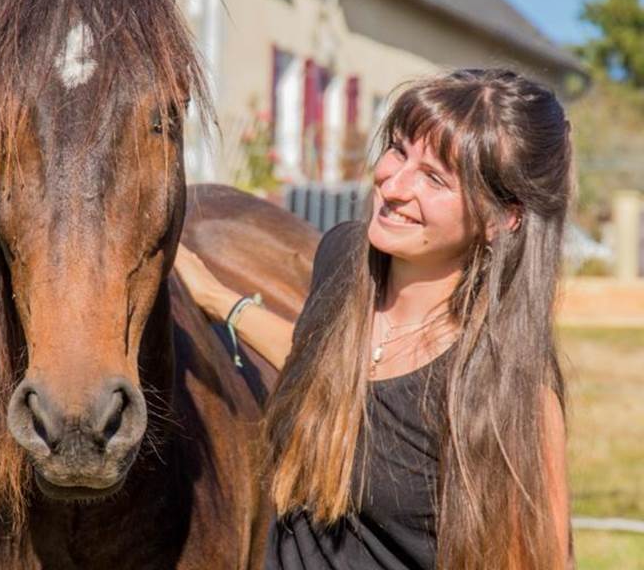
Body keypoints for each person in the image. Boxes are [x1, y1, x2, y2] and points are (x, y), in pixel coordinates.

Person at [175, 69, 571, 570]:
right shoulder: (344, 259)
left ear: (503, 217)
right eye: (399, 150)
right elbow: (319, 368)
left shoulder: (510, 386)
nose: (393, 183)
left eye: (434, 178)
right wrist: (216, 297)